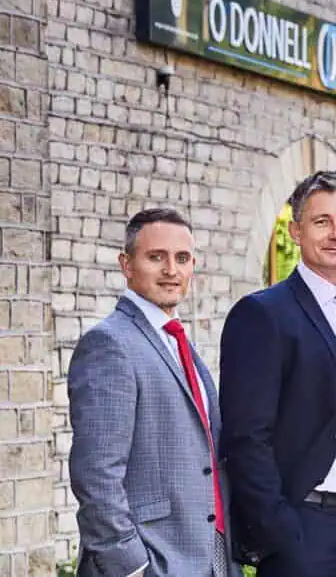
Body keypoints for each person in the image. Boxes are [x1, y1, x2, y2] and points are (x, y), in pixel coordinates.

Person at [219, 171, 336, 577]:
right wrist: (279, 531)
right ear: (296, 230)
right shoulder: (263, 314)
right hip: (309, 534)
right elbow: (246, 435)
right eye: (322, 222)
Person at [68, 208, 242, 577]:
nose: (171, 270)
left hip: (209, 557)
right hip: (153, 560)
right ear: (127, 265)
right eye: (155, 257)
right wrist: (131, 566)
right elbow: (96, 474)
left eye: (182, 258)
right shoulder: (109, 344)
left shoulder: (178, 343)